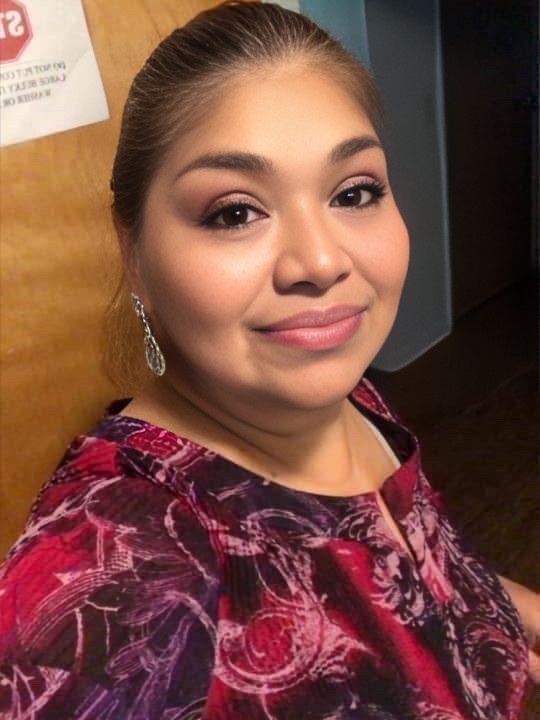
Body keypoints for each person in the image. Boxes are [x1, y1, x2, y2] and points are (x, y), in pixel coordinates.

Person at [0, 2, 538, 718]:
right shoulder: (115, 582)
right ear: (133, 251)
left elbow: (423, 575)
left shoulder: (342, 396)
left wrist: (495, 617)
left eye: (354, 193)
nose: (320, 261)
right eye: (235, 212)